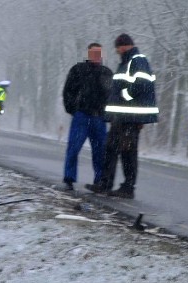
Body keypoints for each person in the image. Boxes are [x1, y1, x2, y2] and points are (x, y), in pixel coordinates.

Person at [85, 33, 159, 199]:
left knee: (128, 153)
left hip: (130, 118)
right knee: (110, 149)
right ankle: (105, 184)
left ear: (124, 45)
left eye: (117, 48)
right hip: (121, 117)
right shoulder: (127, 61)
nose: (117, 52)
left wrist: (124, 94)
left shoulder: (137, 60)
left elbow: (142, 84)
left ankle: (127, 187)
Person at [60, 42, 113, 191]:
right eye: (93, 53)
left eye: (99, 53)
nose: (97, 56)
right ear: (88, 54)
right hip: (81, 116)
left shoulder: (107, 73)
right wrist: (73, 109)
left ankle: (100, 180)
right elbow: (68, 91)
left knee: (100, 152)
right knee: (73, 148)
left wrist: (108, 115)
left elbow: (112, 96)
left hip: (99, 118)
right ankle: (69, 178)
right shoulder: (78, 70)